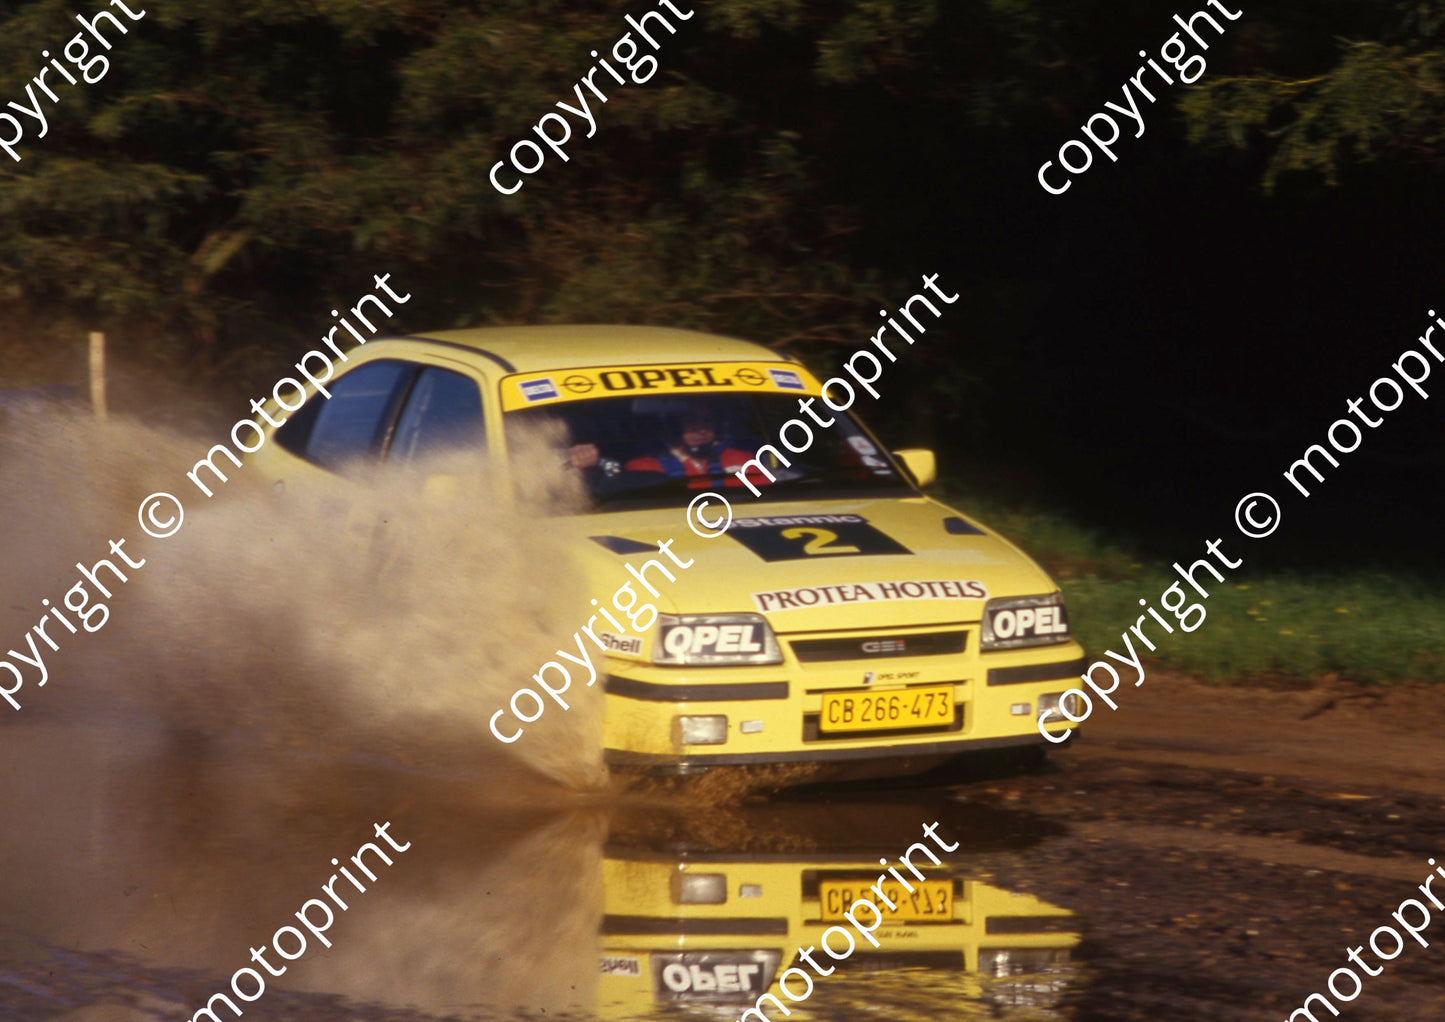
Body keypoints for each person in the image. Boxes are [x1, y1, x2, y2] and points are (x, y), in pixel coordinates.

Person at [625, 406, 754, 489]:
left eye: (707, 421)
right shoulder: (645, 467)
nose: (702, 430)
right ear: (674, 427)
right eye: (691, 422)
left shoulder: (741, 459)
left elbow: (765, 497)